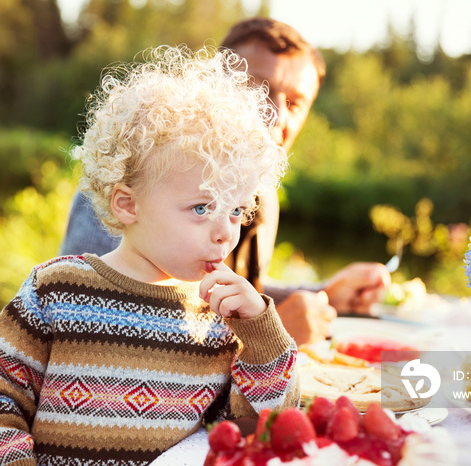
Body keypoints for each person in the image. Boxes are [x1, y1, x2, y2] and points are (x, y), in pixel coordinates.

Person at [0, 46, 298, 465]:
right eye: (202, 208)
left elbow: (261, 432)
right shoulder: (57, 291)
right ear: (127, 204)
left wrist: (262, 334)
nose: (227, 231)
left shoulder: (218, 321)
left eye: (238, 210)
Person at [59, 17, 391, 345]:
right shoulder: (136, 182)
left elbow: (227, 284)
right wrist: (274, 332)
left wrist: (322, 294)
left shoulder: (262, 199)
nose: (274, 114)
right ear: (215, 84)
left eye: (294, 102)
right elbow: (95, 312)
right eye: (257, 88)